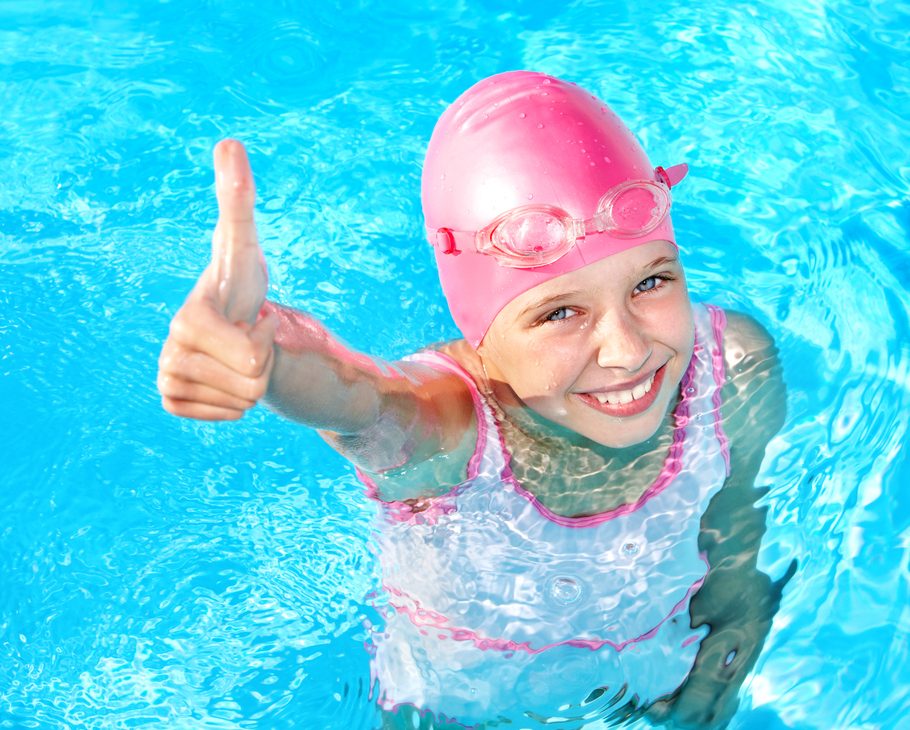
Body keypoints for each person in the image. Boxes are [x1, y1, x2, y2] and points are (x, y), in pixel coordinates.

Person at [158, 71, 794, 728]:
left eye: (651, 281)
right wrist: (271, 351)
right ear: (479, 333)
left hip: (652, 683)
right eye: (559, 314)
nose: (628, 351)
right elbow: (361, 402)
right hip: (456, 710)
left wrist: (732, 631)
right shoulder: (452, 431)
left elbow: (736, 539)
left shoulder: (733, 367)